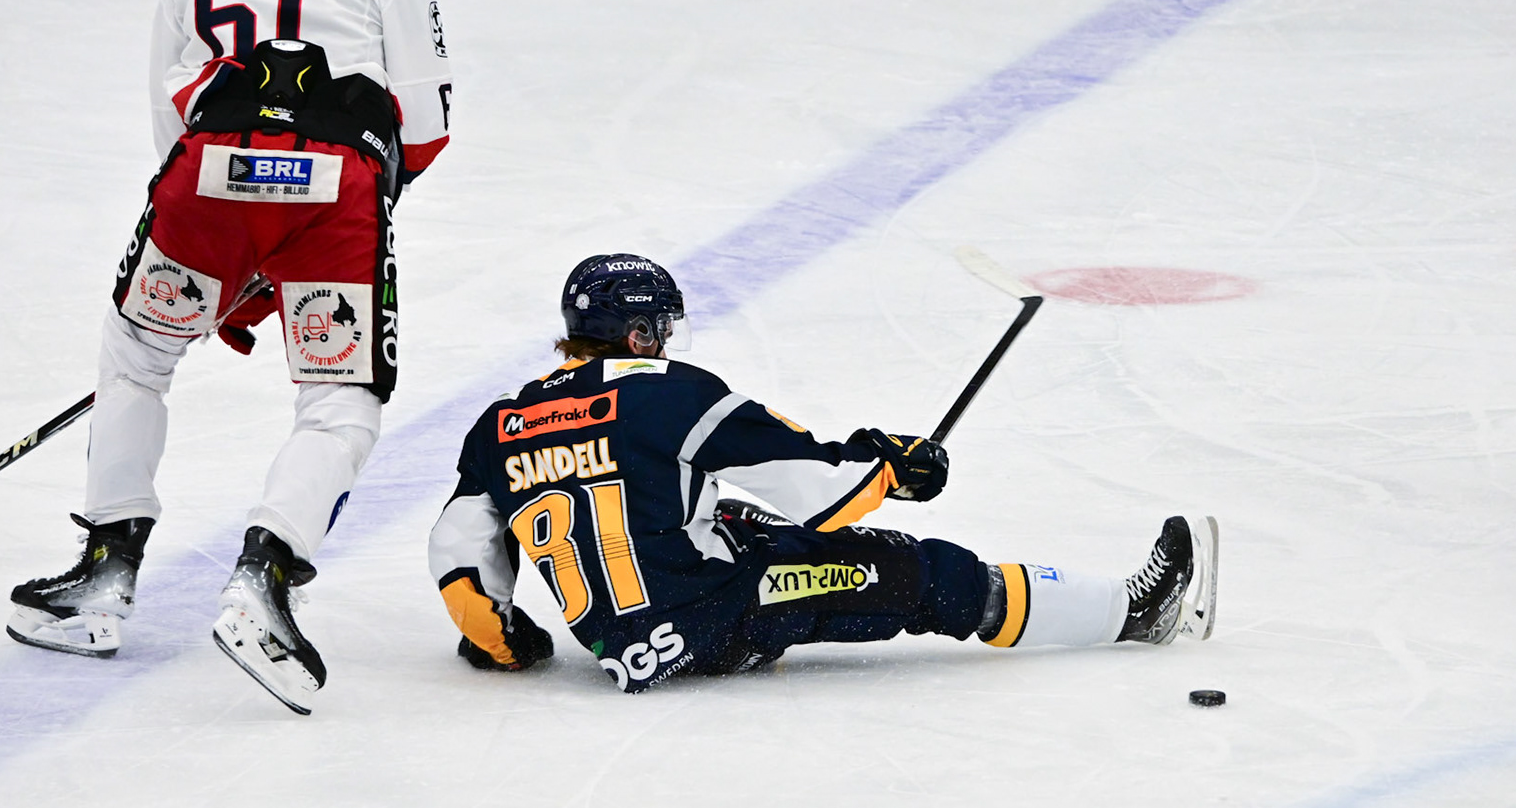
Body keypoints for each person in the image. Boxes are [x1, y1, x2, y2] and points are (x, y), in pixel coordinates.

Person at [6, 0, 454, 714]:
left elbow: (169, 128)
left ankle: (104, 573)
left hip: (204, 182)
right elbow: (427, 126)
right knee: (341, 401)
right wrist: (307, 230)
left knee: (137, 359)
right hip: (336, 187)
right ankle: (265, 577)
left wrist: (235, 246)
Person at [426, 254, 1218, 693]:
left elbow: (461, 556)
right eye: (659, 326)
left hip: (620, 642)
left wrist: (498, 638)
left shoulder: (504, 421)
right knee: (915, 570)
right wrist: (892, 466)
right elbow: (819, 490)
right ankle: (1135, 612)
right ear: (637, 333)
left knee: (731, 518)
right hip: (708, 622)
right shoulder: (668, 393)